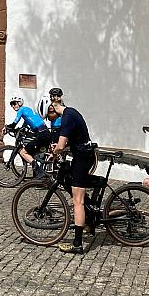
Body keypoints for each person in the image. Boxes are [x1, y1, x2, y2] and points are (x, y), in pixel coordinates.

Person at [49, 97, 95, 255]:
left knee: (77, 201)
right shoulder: (70, 113)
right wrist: (61, 146)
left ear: (53, 109)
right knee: (70, 180)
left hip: (82, 157)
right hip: (83, 155)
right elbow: (70, 140)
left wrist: (53, 154)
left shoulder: (67, 117)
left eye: (49, 117)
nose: (50, 121)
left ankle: (77, 243)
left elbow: (61, 145)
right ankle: (90, 216)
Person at [2, 96, 53, 168]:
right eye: (11, 105)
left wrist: (6, 127)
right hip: (44, 132)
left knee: (24, 152)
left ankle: (39, 170)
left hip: (41, 133)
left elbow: (14, 124)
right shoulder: (27, 112)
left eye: (14, 104)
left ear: (19, 103)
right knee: (36, 152)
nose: (13, 106)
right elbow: (23, 127)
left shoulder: (22, 110)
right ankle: (39, 170)